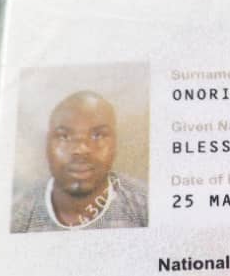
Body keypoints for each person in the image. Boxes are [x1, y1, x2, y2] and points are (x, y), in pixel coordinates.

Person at [11, 91, 148, 232]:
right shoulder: (15, 215)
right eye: (64, 136)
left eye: (98, 135)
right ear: (47, 145)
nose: (81, 149)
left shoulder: (146, 205)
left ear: (115, 144)